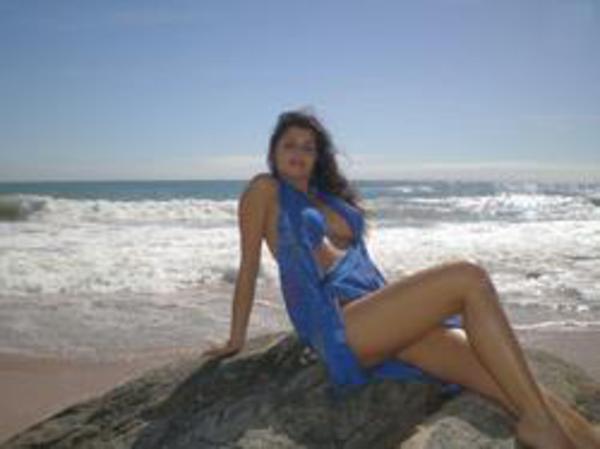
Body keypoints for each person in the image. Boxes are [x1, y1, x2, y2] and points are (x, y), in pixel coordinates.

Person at [205, 108, 599, 449]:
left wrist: (405, 305)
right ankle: (540, 426)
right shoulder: (265, 190)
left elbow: (359, 264)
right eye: (289, 144)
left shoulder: (327, 197)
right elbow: (249, 267)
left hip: (379, 313)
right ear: (273, 152)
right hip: (338, 324)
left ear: (317, 156)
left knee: (512, 385)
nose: (298, 153)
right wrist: (236, 339)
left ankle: (573, 436)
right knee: (469, 278)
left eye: (308, 147)